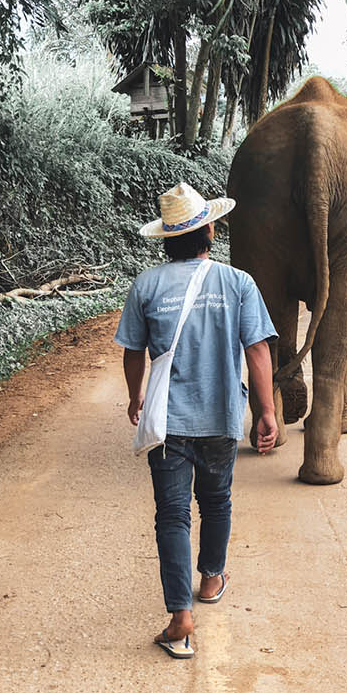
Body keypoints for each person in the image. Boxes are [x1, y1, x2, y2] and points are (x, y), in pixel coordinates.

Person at [117, 181, 278, 652]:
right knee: (216, 501)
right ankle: (210, 580)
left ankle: (180, 620)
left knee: (171, 515)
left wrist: (136, 396)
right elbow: (258, 350)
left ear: (167, 239)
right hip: (222, 415)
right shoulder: (238, 282)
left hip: (167, 421)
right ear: (209, 232)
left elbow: (132, 351)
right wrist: (265, 411)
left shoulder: (146, 285)